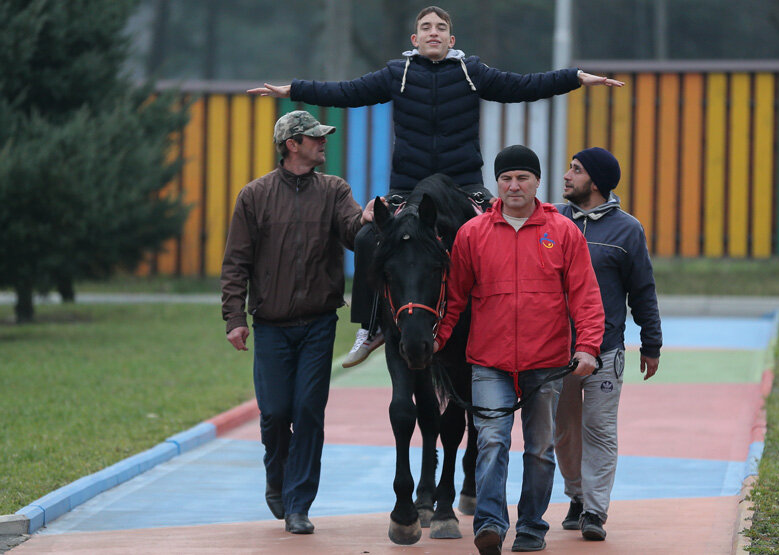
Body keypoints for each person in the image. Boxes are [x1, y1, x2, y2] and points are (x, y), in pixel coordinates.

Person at [248, 6, 623, 369]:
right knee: (365, 240)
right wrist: (294, 89)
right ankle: (373, 326)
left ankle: (490, 319)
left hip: (464, 185)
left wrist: (574, 77)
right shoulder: (397, 73)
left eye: (440, 28)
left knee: (493, 237)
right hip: (407, 187)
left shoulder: (471, 72)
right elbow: (347, 92)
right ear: (415, 38)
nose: (433, 33)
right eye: (426, 27)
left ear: (450, 38)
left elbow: (523, 85)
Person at [432, 145, 606, 554]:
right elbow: (454, 299)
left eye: (522, 178)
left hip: (546, 364)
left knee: (540, 449)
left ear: (537, 182)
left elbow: (585, 296)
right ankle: (490, 524)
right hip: (488, 362)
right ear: (497, 183)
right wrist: (438, 340)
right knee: (491, 440)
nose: (514, 185)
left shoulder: (562, 231)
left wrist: (588, 348)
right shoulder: (472, 234)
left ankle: (531, 525)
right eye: (506, 178)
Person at [221, 110, 372, 535]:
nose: (323, 142)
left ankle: (298, 504)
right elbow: (236, 262)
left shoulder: (335, 190)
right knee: (274, 414)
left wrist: (366, 220)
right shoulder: (254, 196)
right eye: (315, 137)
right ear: (292, 144)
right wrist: (235, 317)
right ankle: (277, 479)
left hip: (319, 323)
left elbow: (350, 232)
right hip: (270, 324)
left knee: (308, 412)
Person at [554, 147, 662, 541]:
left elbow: (643, 290)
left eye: (575, 170)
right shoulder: (552, 220)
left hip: (606, 350)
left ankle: (594, 512)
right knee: (564, 431)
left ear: (594, 182)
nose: (566, 175)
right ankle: (577, 495)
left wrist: (651, 343)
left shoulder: (627, 230)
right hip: (555, 352)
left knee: (599, 429)